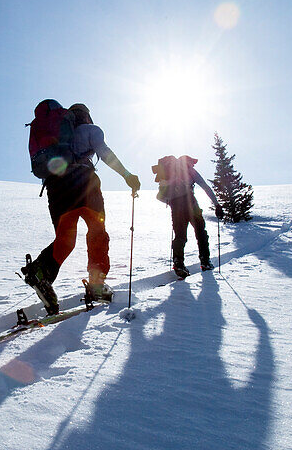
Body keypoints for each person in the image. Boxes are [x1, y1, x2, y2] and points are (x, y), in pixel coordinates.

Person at [22, 102, 140, 313]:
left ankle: (40, 272)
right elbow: (104, 152)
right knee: (97, 232)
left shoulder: (57, 138)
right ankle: (96, 284)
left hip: (57, 187)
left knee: (65, 240)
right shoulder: (90, 130)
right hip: (85, 186)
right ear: (86, 116)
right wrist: (127, 175)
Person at [153, 155, 223, 279]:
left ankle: (178, 263)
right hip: (191, 203)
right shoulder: (188, 169)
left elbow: (159, 197)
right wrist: (216, 204)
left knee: (180, 235)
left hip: (176, 206)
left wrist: (170, 201)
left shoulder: (167, 173)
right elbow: (204, 186)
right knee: (201, 232)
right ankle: (205, 261)